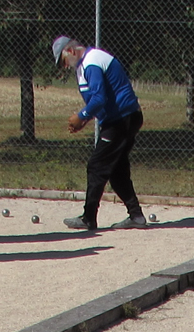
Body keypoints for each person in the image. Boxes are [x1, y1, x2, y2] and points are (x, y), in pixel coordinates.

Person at [52, 35, 147, 231]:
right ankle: (136, 216)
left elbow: (99, 98)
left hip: (121, 118)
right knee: (116, 168)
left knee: (97, 166)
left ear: (70, 51)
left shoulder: (91, 62)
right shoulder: (86, 64)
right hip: (124, 117)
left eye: (63, 61)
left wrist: (81, 116)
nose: (65, 66)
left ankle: (89, 218)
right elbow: (99, 100)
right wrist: (84, 120)